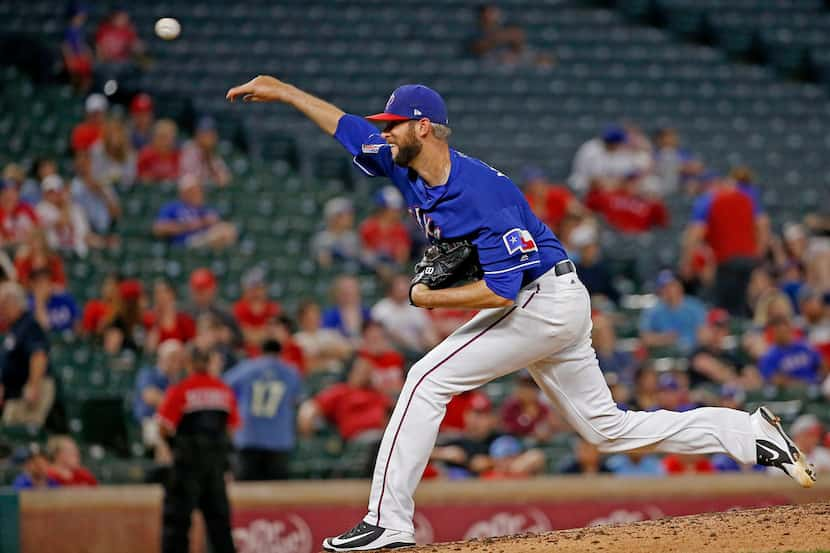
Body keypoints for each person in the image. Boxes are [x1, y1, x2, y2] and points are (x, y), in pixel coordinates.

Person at [226, 75, 816, 551]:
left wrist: (427, 299)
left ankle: (389, 521)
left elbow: (503, 293)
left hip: (543, 301)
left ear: (423, 127)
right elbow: (348, 129)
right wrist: (284, 91)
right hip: (551, 302)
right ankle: (749, 432)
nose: (385, 133)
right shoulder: (400, 159)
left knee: (425, 379)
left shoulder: (483, 193)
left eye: (394, 124)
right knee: (604, 428)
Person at [156, 346, 239, 553]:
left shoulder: (182, 389)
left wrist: (173, 446)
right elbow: (232, 428)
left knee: (177, 524)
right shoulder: (223, 390)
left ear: (189, 364)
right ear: (209, 363)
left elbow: (164, 426)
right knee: (220, 527)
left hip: (187, 466)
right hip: (215, 468)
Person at [683, 173, 765, 316]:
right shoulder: (747, 198)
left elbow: (695, 233)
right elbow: (762, 225)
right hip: (749, 259)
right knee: (743, 304)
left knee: (725, 308)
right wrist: (758, 253)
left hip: (726, 260)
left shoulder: (708, 200)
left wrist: (686, 261)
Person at [223, 339, 303, 481]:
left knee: (247, 493)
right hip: (279, 439)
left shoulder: (247, 368)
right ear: (280, 353)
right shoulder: (291, 371)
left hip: (249, 436)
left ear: (261, 351)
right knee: (277, 494)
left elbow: (224, 386)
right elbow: (297, 399)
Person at [0, 282, 54, 428]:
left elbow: (39, 355)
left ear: (13, 302)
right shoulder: (15, 328)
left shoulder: (29, 324)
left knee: (25, 433)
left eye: (3, 305)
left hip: (31, 388)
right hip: (16, 393)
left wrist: (33, 386)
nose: (1, 310)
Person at [298, 361, 391, 443]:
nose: (366, 375)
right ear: (352, 372)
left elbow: (390, 412)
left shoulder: (377, 394)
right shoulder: (342, 391)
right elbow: (309, 408)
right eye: (362, 371)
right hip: (359, 441)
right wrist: (308, 438)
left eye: (369, 372)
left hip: (382, 435)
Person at [152, 174, 237, 249]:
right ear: (183, 192)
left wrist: (207, 222)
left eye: (198, 189)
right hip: (184, 243)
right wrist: (187, 226)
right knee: (221, 233)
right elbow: (159, 228)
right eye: (193, 190)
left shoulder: (203, 208)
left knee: (227, 230)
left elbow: (213, 221)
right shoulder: (173, 207)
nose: (198, 192)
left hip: (204, 240)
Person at [134, 339, 185, 458]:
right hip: (150, 420)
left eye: (179, 358)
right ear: (161, 358)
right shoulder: (148, 373)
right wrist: (174, 404)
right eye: (172, 357)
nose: (176, 362)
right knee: (158, 437)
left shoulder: (180, 378)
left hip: (173, 422)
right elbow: (150, 396)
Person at [639, 270, 707, 355]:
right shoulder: (653, 310)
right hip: (664, 356)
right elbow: (645, 338)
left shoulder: (695, 306)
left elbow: (705, 334)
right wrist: (665, 338)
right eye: (664, 287)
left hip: (693, 354)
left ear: (680, 286)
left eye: (672, 285)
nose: (669, 290)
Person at [370, 274, 439, 355]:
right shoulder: (381, 308)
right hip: (392, 348)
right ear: (391, 289)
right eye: (400, 286)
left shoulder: (415, 305)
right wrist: (409, 344)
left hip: (417, 347)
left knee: (431, 337)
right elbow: (380, 335)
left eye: (406, 285)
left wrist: (431, 344)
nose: (404, 288)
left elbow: (426, 327)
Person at [36, 174, 100, 257]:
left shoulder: (76, 208)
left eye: (56, 191)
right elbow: (62, 222)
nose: (54, 195)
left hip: (79, 253)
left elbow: (85, 234)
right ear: (44, 194)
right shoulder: (41, 209)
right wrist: (66, 202)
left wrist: (104, 242)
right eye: (50, 192)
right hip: (57, 253)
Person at [759, 315, 824, 386]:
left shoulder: (804, 346)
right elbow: (775, 380)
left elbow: (821, 365)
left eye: (785, 331)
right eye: (779, 332)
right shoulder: (769, 356)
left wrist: (819, 378)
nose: (783, 335)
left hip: (814, 386)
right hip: (790, 393)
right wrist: (801, 384)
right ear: (773, 334)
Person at [72, 148, 122, 238]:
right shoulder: (74, 185)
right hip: (84, 232)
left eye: (85, 161)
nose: (83, 165)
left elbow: (116, 214)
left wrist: (101, 192)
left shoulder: (103, 183)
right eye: (80, 162)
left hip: (105, 230)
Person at [293, 299, 353, 374]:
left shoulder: (330, 333)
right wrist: (328, 352)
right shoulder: (297, 339)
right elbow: (306, 363)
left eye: (316, 314)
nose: (314, 318)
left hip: (338, 376)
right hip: (314, 378)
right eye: (310, 315)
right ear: (301, 318)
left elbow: (347, 352)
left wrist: (321, 352)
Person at [232, 267, 280, 353]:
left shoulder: (273, 308)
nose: (256, 292)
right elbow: (242, 334)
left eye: (259, 287)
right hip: (244, 355)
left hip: (268, 353)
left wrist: (253, 333)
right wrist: (263, 332)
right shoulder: (239, 308)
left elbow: (275, 335)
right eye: (253, 288)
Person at [143, 280, 197, 352]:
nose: (160, 296)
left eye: (164, 292)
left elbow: (193, 344)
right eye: (157, 293)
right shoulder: (149, 319)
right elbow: (149, 349)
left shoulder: (184, 319)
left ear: (172, 294)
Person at [180, 117, 232, 187]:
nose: (210, 139)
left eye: (212, 135)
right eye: (206, 134)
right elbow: (190, 179)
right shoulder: (188, 149)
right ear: (197, 134)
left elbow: (224, 177)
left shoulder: (213, 153)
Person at [90, 116, 137, 190]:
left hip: (122, 191)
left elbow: (130, 180)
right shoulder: (97, 149)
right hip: (99, 192)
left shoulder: (129, 153)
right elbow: (94, 177)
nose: (114, 136)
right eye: (111, 132)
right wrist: (110, 177)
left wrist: (117, 177)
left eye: (118, 132)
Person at [28, 268, 80, 333]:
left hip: (69, 338)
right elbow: (44, 328)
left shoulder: (63, 297)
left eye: (46, 281)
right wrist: (40, 301)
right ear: (32, 285)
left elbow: (78, 324)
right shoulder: (29, 304)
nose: (44, 286)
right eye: (40, 282)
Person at [322, 275, 371, 344]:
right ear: (337, 293)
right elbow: (326, 338)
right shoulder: (330, 316)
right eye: (345, 289)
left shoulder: (367, 313)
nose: (349, 292)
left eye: (352, 288)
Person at [137, 119, 181, 183]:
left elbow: (180, 177)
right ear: (154, 137)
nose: (164, 142)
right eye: (161, 137)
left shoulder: (178, 155)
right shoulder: (145, 155)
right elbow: (142, 178)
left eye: (167, 138)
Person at [0, 179, 39, 248]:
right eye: (8, 192)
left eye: (15, 191)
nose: (13, 195)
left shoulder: (26, 208)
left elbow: (37, 228)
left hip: (28, 246)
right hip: (8, 248)